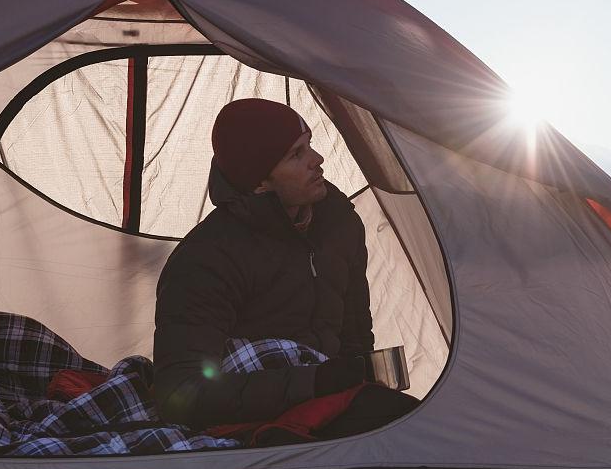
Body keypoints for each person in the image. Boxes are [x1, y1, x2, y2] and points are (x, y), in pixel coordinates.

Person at [152, 97, 417, 434]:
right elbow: (180, 393)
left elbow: (354, 335)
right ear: (260, 183)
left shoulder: (340, 227)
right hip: (251, 419)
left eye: (310, 145)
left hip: (328, 401)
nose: (318, 160)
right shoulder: (207, 258)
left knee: (418, 428)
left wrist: (355, 377)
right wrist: (315, 383)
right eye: (297, 154)